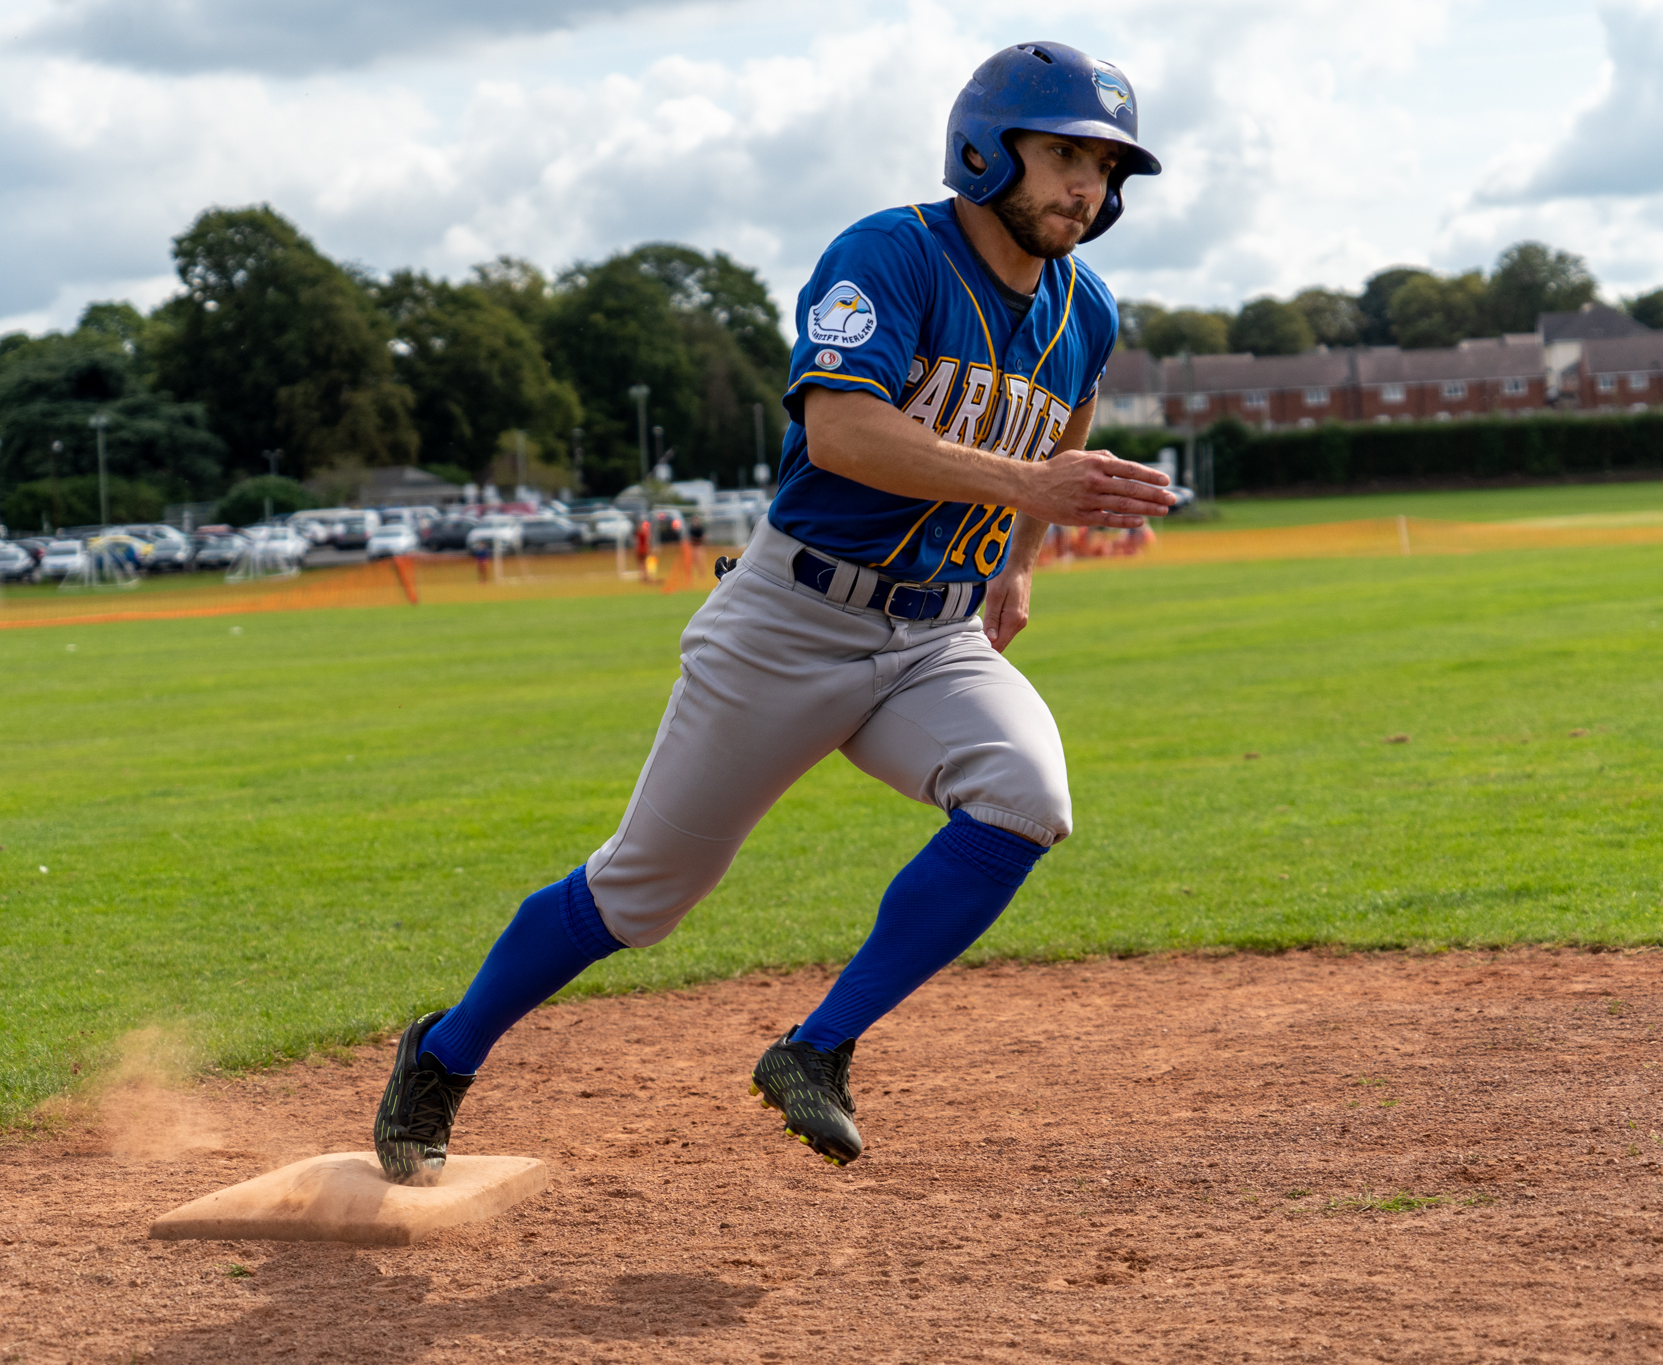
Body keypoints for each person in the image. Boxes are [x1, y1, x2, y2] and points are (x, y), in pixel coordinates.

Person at [373, 40, 1173, 1183]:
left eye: (1103, 168)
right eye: (1062, 156)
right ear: (984, 151)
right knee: (642, 893)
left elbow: (1063, 432)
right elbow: (841, 432)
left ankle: (816, 1050)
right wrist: (1023, 489)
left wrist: (1017, 559)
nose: (1084, 188)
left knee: (1023, 799)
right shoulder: (890, 254)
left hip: (934, 635)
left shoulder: (1082, 309)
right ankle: (443, 1054)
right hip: (791, 621)